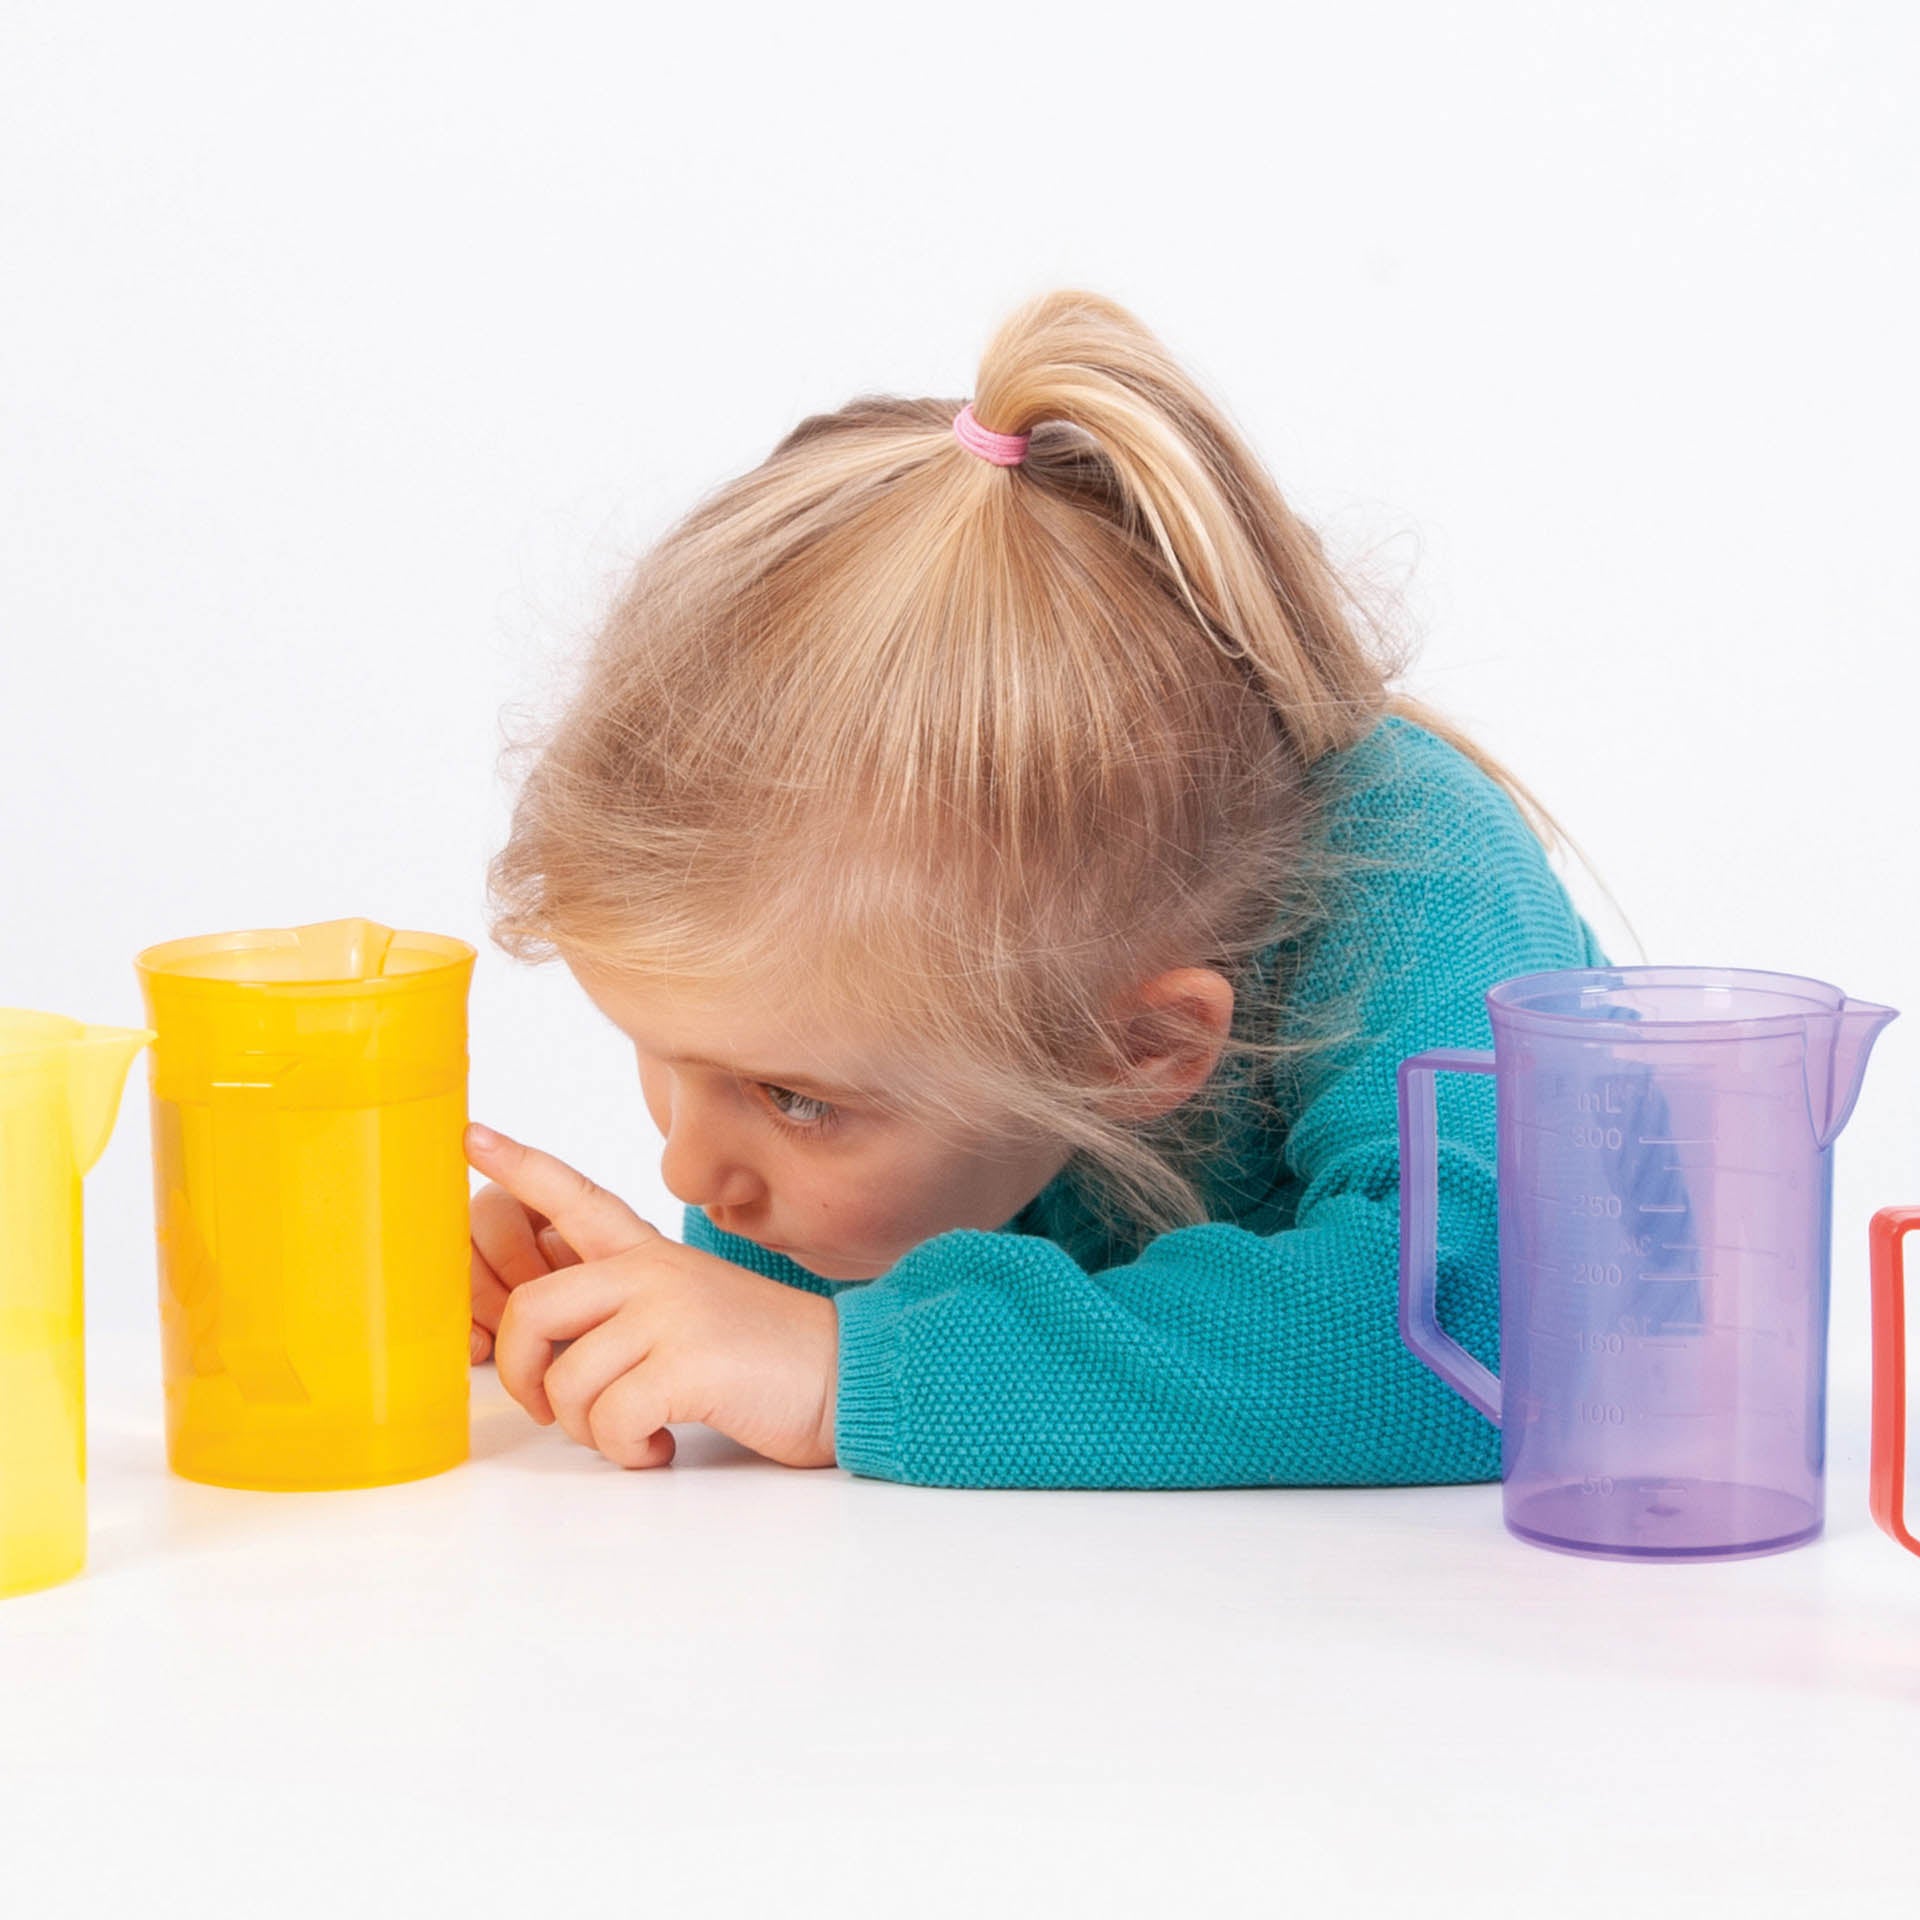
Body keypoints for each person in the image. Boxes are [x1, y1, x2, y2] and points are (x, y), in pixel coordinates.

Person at [464, 287, 1609, 1489]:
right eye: (663, 1057)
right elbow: (856, 1273)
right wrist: (637, 1304)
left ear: (1138, 1050)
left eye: (791, 1099)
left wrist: (843, 1373)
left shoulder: (1428, 886)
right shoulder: (894, 1027)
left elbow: (1504, 1339)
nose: (688, 1176)